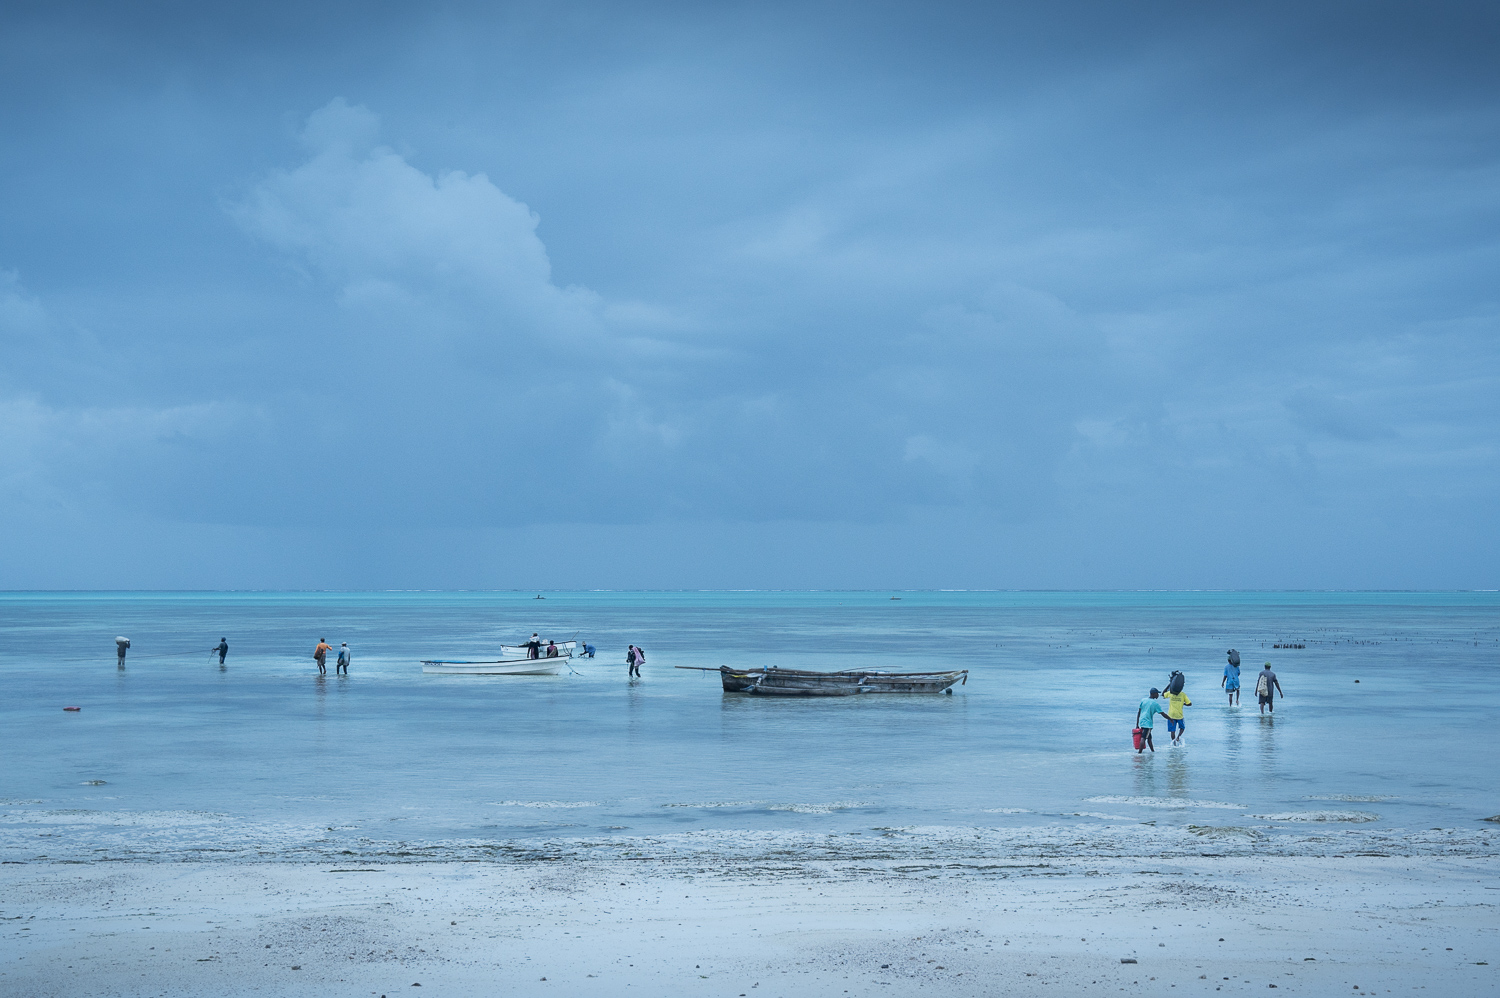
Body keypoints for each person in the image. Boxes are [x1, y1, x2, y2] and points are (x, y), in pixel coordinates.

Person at [1136, 688, 1165, 753]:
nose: (1158, 695)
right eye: (1157, 693)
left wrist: (1137, 724)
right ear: (1153, 694)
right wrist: (1170, 719)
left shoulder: (1143, 700)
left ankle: (1152, 751)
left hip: (1142, 721)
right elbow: (1162, 713)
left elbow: (1139, 712)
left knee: (1149, 737)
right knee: (1143, 737)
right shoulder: (1155, 703)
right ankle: (1139, 753)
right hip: (1148, 722)